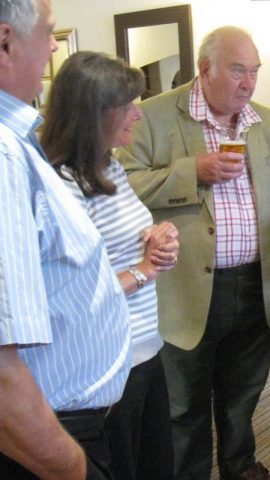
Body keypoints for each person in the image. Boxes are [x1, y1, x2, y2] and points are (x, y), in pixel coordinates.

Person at [116, 26, 270, 480]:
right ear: (204, 69)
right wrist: (191, 171)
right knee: (184, 405)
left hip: (256, 283)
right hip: (185, 289)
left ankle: (239, 467)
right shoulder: (151, 116)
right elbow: (122, 186)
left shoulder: (266, 120)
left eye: (254, 72)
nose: (248, 83)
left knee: (243, 394)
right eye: (238, 71)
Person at [0, 1, 131, 479]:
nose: (55, 45)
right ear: (5, 43)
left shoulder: (22, 142)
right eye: (49, 32)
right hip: (48, 439)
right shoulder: (3, 156)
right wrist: (72, 467)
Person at [40, 51, 180, 480]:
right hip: (107, 361)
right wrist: (143, 271)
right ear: (94, 111)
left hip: (144, 344)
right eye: (128, 105)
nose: (138, 115)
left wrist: (159, 233)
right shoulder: (62, 184)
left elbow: (123, 239)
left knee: (157, 464)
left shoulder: (111, 166)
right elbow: (73, 290)